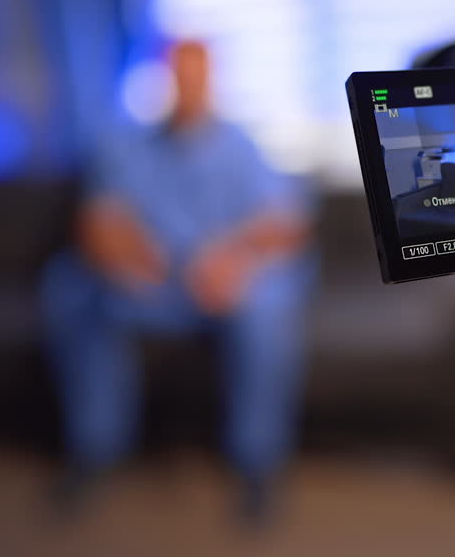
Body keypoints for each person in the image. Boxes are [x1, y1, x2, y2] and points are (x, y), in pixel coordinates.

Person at [42, 39, 312, 524]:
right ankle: (94, 452)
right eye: (178, 78)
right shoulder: (128, 146)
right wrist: (131, 258)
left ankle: (256, 464)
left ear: (212, 81)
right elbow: (98, 225)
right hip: (155, 283)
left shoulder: (241, 147)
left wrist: (233, 258)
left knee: (270, 307)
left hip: (226, 283)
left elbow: (285, 224)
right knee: (71, 290)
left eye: (197, 78)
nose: (187, 88)